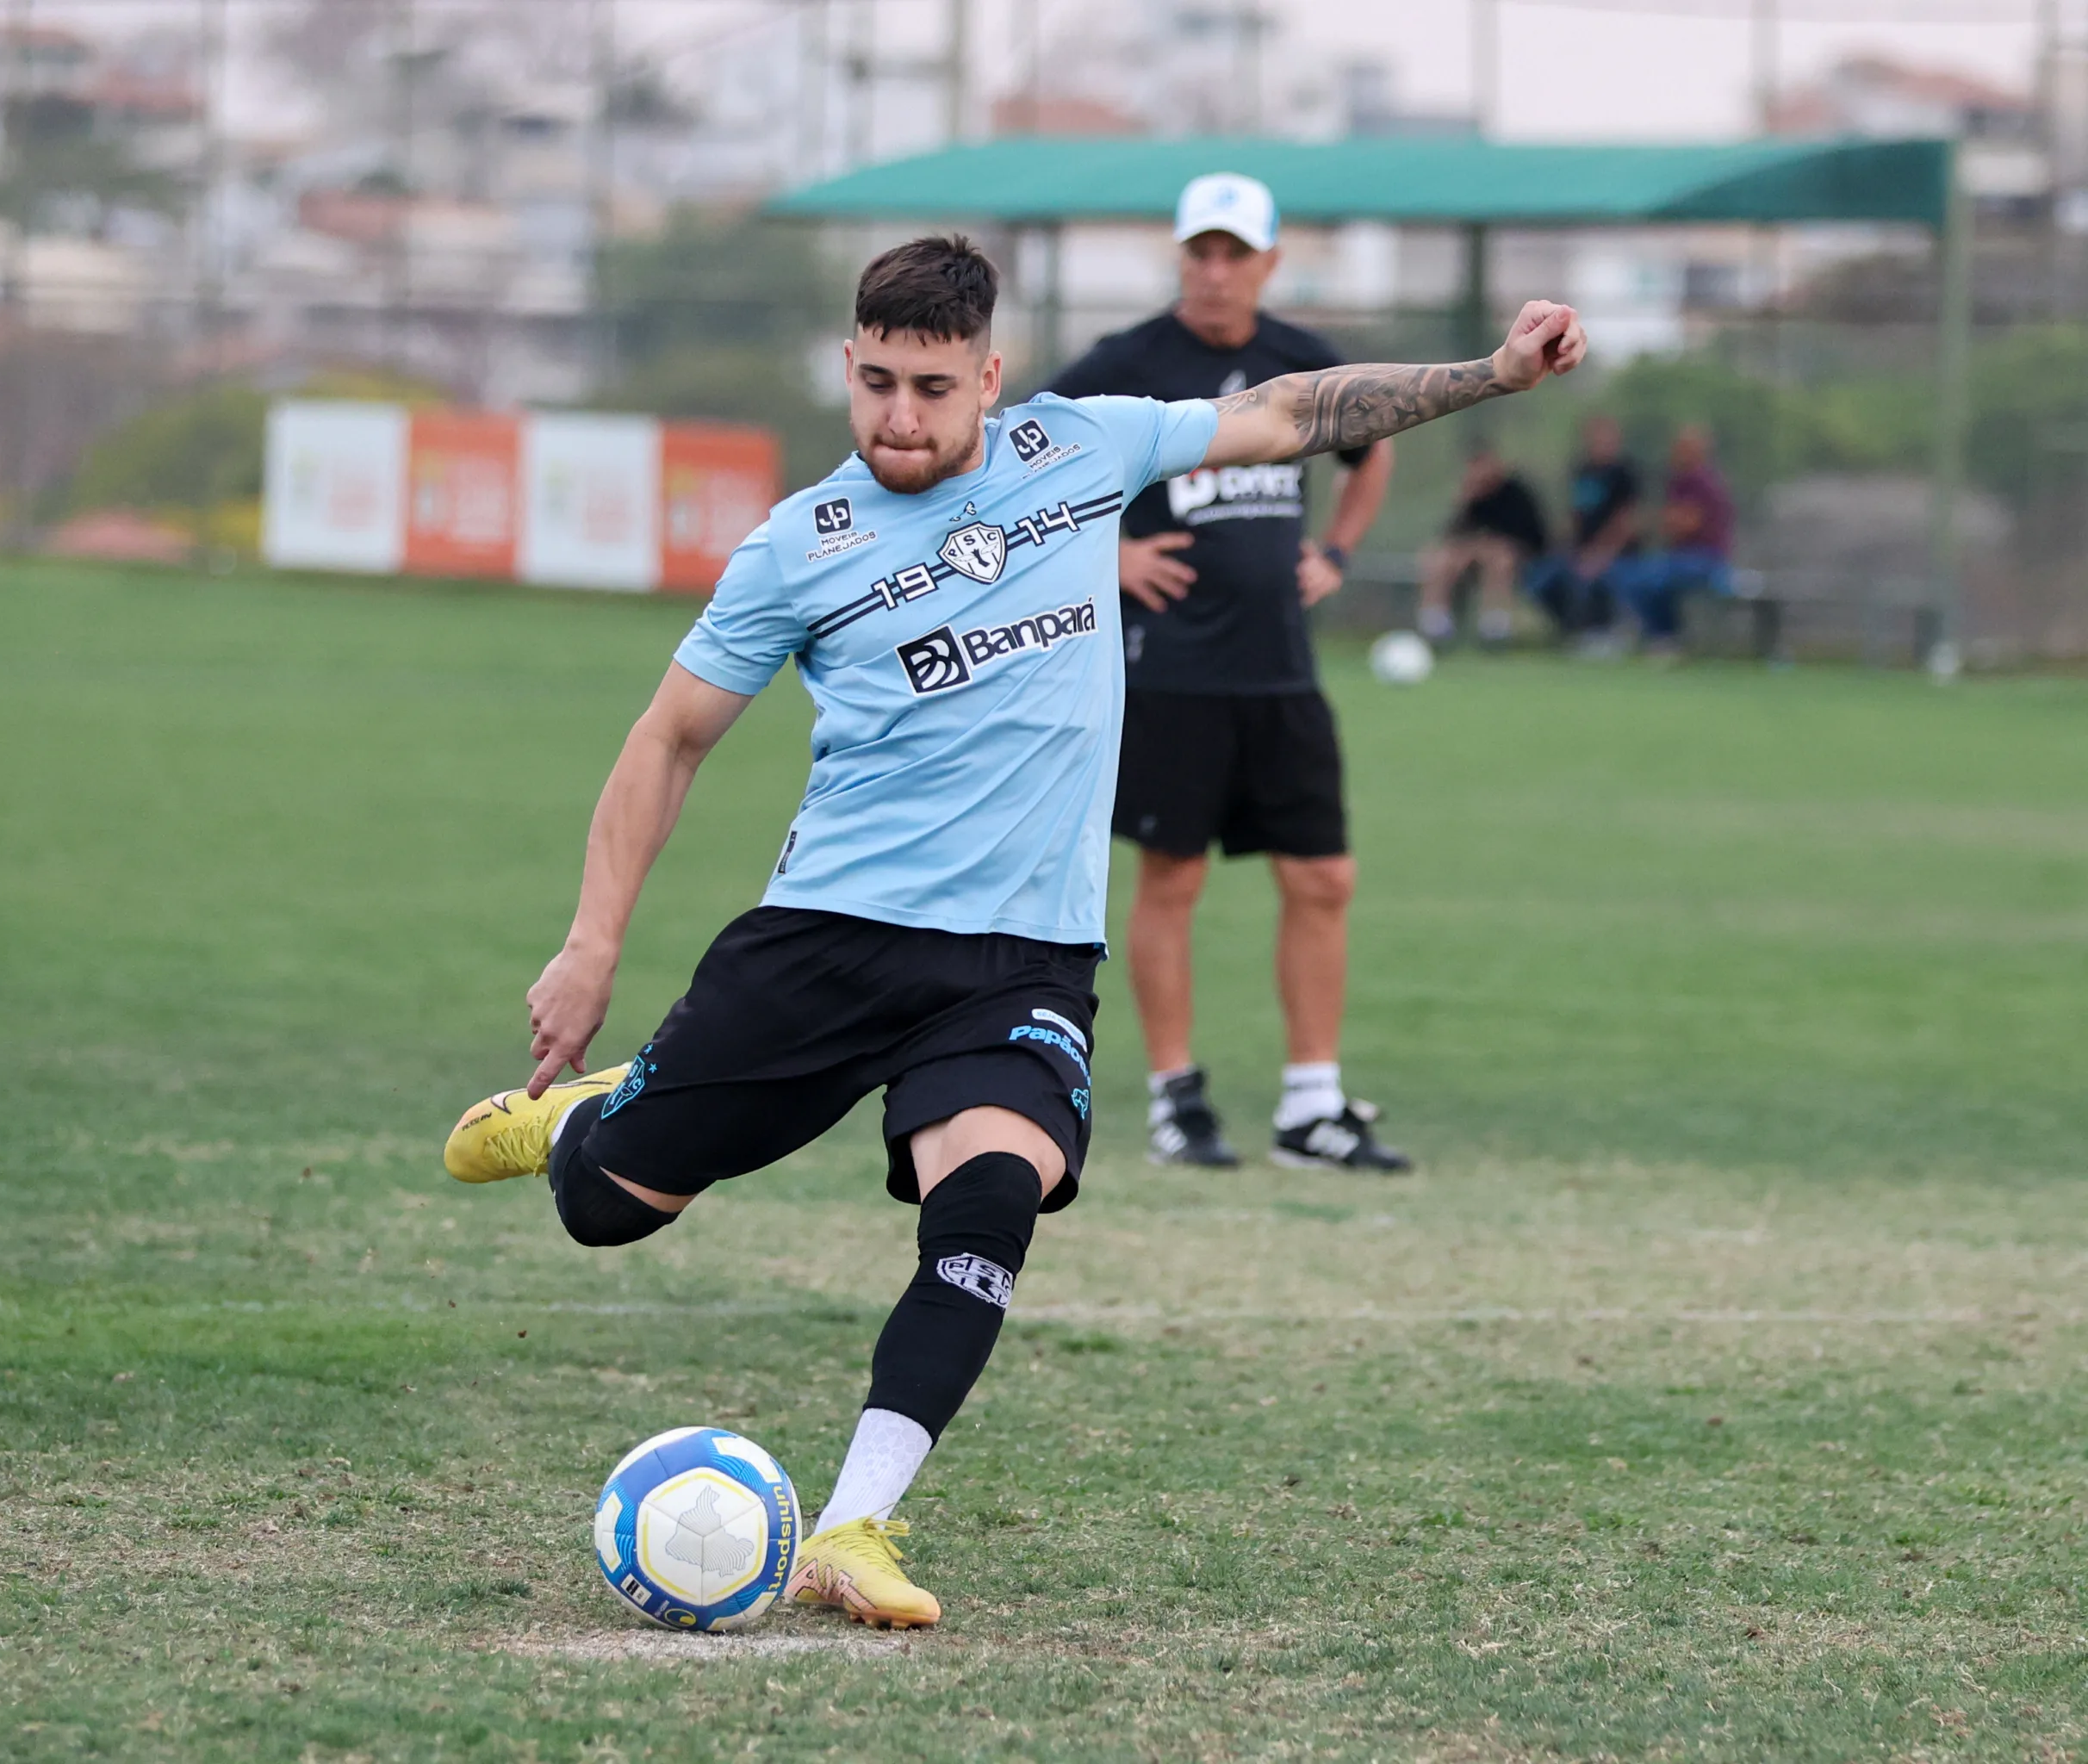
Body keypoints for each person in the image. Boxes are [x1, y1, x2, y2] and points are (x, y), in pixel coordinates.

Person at [440, 234, 1587, 1630]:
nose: (899, 417)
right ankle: (577, 1123)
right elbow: (670, 737)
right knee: (609, 1210)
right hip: (827, 937)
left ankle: (856, 1521)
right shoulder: (800, 542)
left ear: (989, 376)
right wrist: (590, 941)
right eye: (874, 383)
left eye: (930, 386)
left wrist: (1494, 373)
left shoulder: (1083, 446)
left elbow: (1293, 410)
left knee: (989, 1197)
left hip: (1022, 961)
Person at [1044, 172, 1406, 1173]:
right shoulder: (1128, 362)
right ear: (1179, 259)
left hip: (1280, 671)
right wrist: (1107, 557)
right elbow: (1029, 460)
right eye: (1198, 252)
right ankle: (1175, 1099)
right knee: (1174, 878)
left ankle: (1311, 1106)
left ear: (1268, 264)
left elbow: (1371, 446)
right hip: (1172, 672)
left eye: (1233, 253)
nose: (1214, 270)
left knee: (1324, 875)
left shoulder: (1299, 361)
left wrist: (1334, 551)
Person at [1614, 424, 1734, 652]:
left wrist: (1649, 521)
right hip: (1679, 557)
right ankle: (1660, 635)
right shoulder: (1678, 481)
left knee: (1649, 578)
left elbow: (1687, 522)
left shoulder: (1702, 481)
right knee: (1631, 577)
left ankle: (1667, 636)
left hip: (1706, 559)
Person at [1417, 443, 1550, 648]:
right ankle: (1435, 626)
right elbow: (1454, 535)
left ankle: (1494, 628)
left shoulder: (1515, 493)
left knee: (1498, 558)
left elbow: (1529, 538)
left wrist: (1483, 546)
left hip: (1514, 560)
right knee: (1439, 560)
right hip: (1471, 558)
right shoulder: (1473, 497)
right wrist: (1465, 501)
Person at [1528, 413, 1642, 644]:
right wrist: (1563, 548)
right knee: (1542, 579)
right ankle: (1570, 632)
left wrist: (1601, 554)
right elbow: (1575, 514)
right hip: (1580, 552)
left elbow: (1626, 521)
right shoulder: (1582, 471)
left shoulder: (1625, 473)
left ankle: (1604, 634)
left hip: (1616, 554)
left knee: (1594, 580)